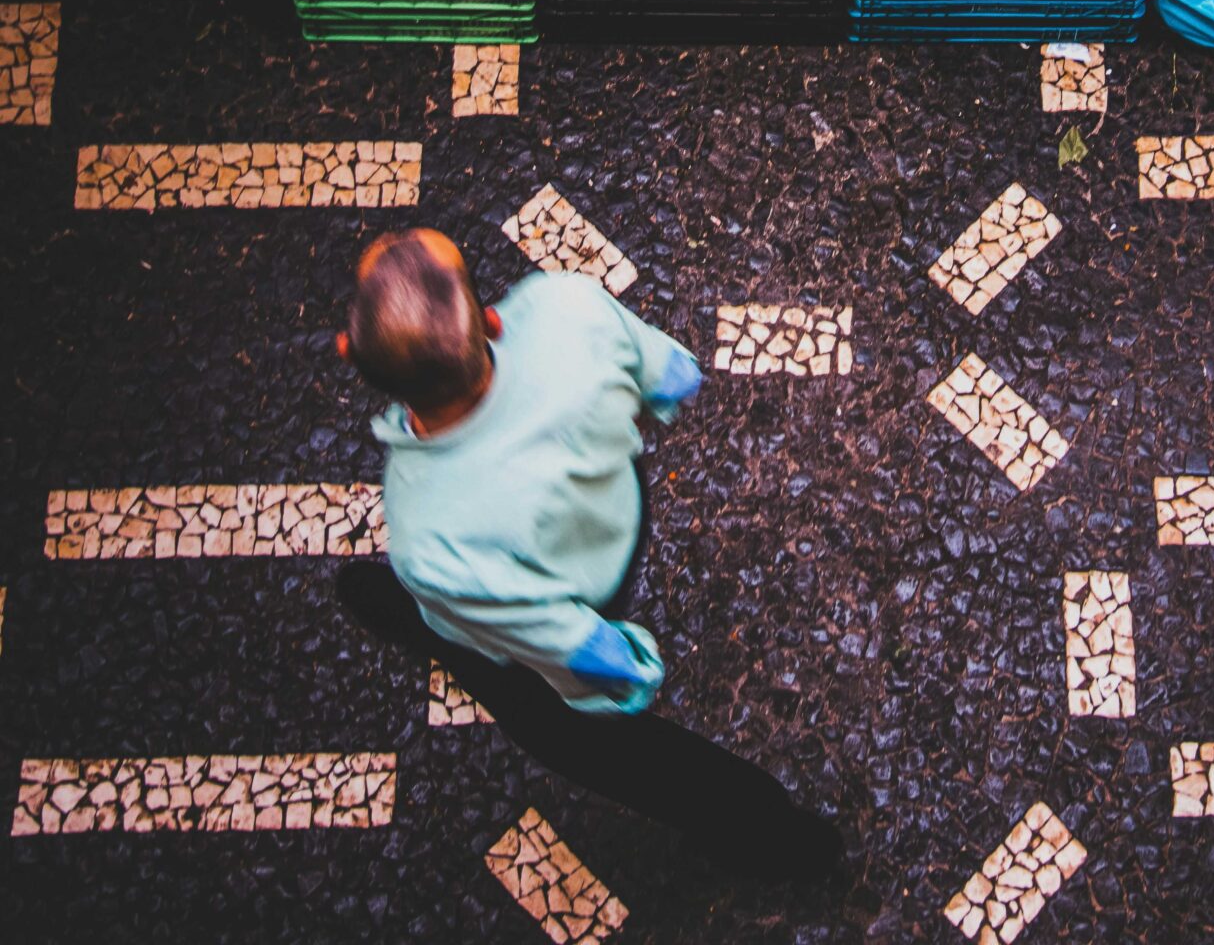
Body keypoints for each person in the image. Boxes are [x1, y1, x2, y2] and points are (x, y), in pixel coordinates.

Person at [335, 227, 839, 879]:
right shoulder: (563, 307)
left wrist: (624, 676)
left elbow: (561, 642)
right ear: (490, 320)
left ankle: (765, 836)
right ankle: (779, 835)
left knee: (593, 745)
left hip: (526, 604)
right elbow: (672, 375)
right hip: (616, 528)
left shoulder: (428, 540)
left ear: (350, 353)